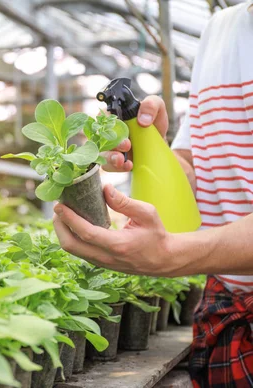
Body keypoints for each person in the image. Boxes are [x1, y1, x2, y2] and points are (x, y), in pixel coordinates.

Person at [53, 2, 253, 387]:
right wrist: (152, 147)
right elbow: (200, 173)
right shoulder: (221, 30)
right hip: (226, 311)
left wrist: (172, 256)